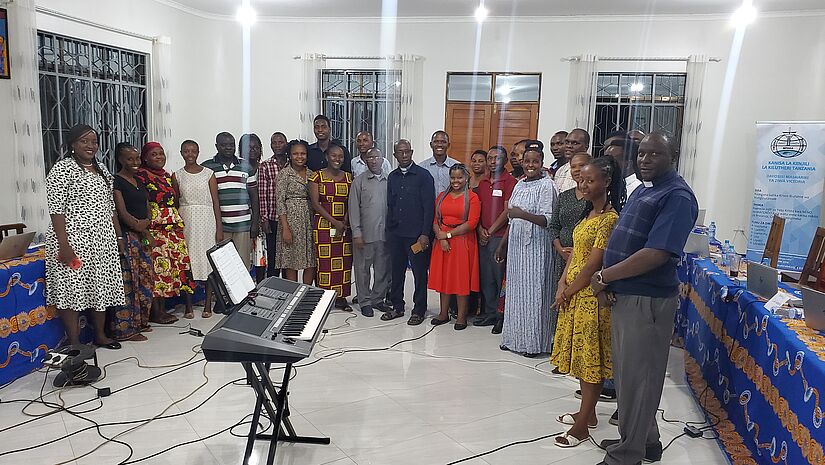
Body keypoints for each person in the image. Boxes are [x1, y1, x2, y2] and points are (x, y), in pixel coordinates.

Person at [591, 133, 698, 465]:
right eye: (642, 153)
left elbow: (656, 254)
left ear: (674, 155)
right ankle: (644, 440)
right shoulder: (644, 189)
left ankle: (628, 455)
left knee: (640, 379)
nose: (645, 159)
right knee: (629, 376)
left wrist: (605, 276)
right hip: (626, 293)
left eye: (655, 153)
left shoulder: (677, 196)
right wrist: (608, 280)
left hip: (647, 298)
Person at [550, 156, 625, 448]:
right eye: (580, 179)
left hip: (590, 298)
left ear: (606, 182)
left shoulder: (610, 219)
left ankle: (582, 427)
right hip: (572, 292)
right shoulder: (587, 214)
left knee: (590, 360)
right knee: (581, 359)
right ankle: (588, 413)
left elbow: (594, 263)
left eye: (589, 180)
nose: (583, 184)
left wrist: (568, 291)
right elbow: (574, 255)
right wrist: (561, 282)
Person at [46, 124, 125, 349]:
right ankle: (75, 343)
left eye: (94, 141)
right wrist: (64, 245)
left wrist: (119, 237)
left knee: (100, 286)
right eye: (84, 141)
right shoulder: (62, 169)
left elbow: (110, 207)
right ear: (73, 144)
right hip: (73, 241)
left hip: (102, 240)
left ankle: (100, 335)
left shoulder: (101, 169)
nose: (91, 146)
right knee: (70, 289)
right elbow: (56, 209)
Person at [495, 143, 558, 357]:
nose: (530, 165)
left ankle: (533, 343)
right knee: (516, 294)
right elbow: (511, 219)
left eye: (535, 161)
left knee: (534, 295)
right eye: (527, 161)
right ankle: (513, 338)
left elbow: (548, 220)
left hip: (537, 249)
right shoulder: (520, 185)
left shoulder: (547, 185)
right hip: (516, 247)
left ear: (541, 163)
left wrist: (523, 214)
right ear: (522, 163)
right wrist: (503, 245)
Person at [135, 142, 196, 320]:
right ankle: (156, 312)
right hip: (155, 227)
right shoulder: (141, 175)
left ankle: (163, 309)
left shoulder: (167, 176)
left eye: (161, 153)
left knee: (171, 267)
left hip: (172, 226)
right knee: (158, 268)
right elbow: (142, 203)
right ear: (145, 157)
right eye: (154, 154)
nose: (159, 157)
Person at [383, 139, 436, 325]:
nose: (404, 155)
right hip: (396, 234)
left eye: (407, 152)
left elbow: (429, 207)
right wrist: (389, 231)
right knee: (396, 272)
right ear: (395, 154)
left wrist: (425, 234)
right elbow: (390, 204)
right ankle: (397, 306)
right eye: (400, 152)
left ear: (411, 152)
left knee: (420, 274)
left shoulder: (424, 176)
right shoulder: (392, 177)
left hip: (416, 235)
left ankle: (419, 310)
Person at [548, 152, 592, 354]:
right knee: (561, 302)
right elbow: (554, 226)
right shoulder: (564, 196)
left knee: (578, 304)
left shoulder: (596, 197)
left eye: (581, 166)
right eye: (573, 167)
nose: (576, 170)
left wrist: (577, 252)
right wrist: (559, 247)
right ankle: (561, 352)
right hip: (561, 257)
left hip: (586, 259)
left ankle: (578, 351)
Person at [174, 140, 223, 318]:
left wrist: (219, 227)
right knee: (188, 260)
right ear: (181, 153)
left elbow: (216, 202)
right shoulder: (177, 175)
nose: (190, 154)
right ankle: (188, 305)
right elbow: (176, 201)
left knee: (207, 260)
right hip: (186, 219)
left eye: (193, 151)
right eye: (186, 151)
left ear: (198, 152)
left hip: (207, 219)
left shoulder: (209, 174)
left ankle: (208, 304)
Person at [429, 164, 481, 330]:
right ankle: (443, 313)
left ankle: (461, 317)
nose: (456, 181)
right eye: (453, 177)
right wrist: (441, 237)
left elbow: (472, 223)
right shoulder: (441, 197)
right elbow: (435, 220)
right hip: (442, 242)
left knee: (461, 280)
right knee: (444, 278)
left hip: (462, 242)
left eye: (460, 177)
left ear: (466, 178)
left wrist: (449, 235)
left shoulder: (472, 197)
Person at [201, 132, 259, 270]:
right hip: (219, 226)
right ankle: (222, 292)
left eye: (231, 145)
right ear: (217, 146)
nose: (228, 148)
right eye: (224, 145)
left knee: (242, 265)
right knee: (223, 266)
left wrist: (255, 223)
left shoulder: (246, 166)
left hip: (243, 225)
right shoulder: (207, 168)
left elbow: (254, 196)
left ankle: (243, 292)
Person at [112, 143, 152, 341]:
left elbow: (147, 206)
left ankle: (141, 321)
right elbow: (121, 212)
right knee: (130, 282)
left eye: (137, 158)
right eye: (130, 159)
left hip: (142, 235)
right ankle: (127, 329)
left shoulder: (139, 180)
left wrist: (146, 225)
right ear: (120, 160)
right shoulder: (116, 181)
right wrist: (138, 226)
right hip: (128, 237)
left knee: (144, 279)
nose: (135, 162)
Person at [474, 146, 517, 330]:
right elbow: (476, 209)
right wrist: (480, 230)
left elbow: (507, 211)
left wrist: (490, 231)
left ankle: (502, 315)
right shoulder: (482, 182)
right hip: (482, 236)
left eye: (497, 158)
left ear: (505, 161)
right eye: (490, 158)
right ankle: (490, 313)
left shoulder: (510, 182)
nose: (492, 162)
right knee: (486, 278)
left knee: (500, 278)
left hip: (499, 237)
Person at [309, 145, 354, 309]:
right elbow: (315, 203)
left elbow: (351, 202)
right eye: (334, 156)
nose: (337, 159)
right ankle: (324, 298)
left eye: (340, 156)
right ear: (327, 157)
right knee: (324, 262)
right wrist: (335, 222)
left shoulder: (349, 178)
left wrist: (345, 221)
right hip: (323, 226)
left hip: (344, 226)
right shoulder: (316, 176)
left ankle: (341, 298)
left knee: (344, 262)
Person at [349, 148, 391, 317]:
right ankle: (364, 301)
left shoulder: (390, 180)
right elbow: (353, 209)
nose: (374, 160)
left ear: (383, 160)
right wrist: (356, 233)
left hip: (384, 234)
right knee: (362, 269)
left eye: (377, 157)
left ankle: (377, 299)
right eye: (370, 157)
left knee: (382, 269)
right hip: (364, 235)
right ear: (366, 160)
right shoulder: (359, 182)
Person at [275, 140, 317, 283]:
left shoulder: (312, 174)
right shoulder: (284, 174)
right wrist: (285, 228)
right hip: (290, 222)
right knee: (290, 260)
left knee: (310, 259)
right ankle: (294, 295)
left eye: (303, 153)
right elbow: (280, 202)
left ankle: (306, 293)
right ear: (290, 155)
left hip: (309, 220)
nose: (300, 157)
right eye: (295, 154)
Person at [258, 132, 289, 278]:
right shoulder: (265, 166)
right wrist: (264, 219)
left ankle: (289, 288)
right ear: (270, 145)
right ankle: (273, 290)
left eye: (280, 142)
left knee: (289, 258)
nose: (277, 145)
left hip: (291, 218)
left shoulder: (293, 164)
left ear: (286, 143)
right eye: (274, 143)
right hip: (273, 219)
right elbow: (262, 194)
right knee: (274, 257)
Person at [239, 133, 267, 281]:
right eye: (249, 148)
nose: (253, 150)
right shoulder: (239, 168)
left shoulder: (265, 167)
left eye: (256, 147)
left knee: (260, 253)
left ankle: (261, 285)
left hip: (261, 216)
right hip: (242, 216)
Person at [423, 130, 460, 196]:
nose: (439, 145)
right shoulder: (422, 167)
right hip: (429, 206)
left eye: (443, 142)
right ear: (431, 145)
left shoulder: (458, 167)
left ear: (448, 145)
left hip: (451, 205)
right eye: (436, 142)